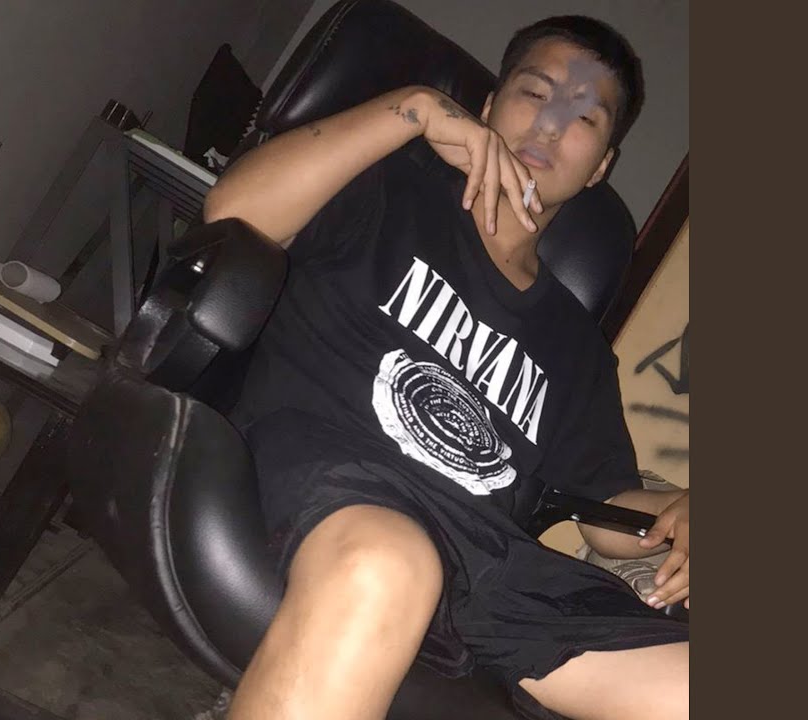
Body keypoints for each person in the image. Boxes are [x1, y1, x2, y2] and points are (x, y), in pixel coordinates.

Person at [201, 14, 689, 720]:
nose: (550, 125)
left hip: (491, 564)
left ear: (601, 167)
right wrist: (414, 108)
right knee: (389, 565)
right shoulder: (387, 188)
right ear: (487, 107)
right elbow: (234, 211)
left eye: (584, 117)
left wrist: (679, 511)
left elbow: (604, 509)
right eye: (534, 93)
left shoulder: (576, 344)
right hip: (330, 481)